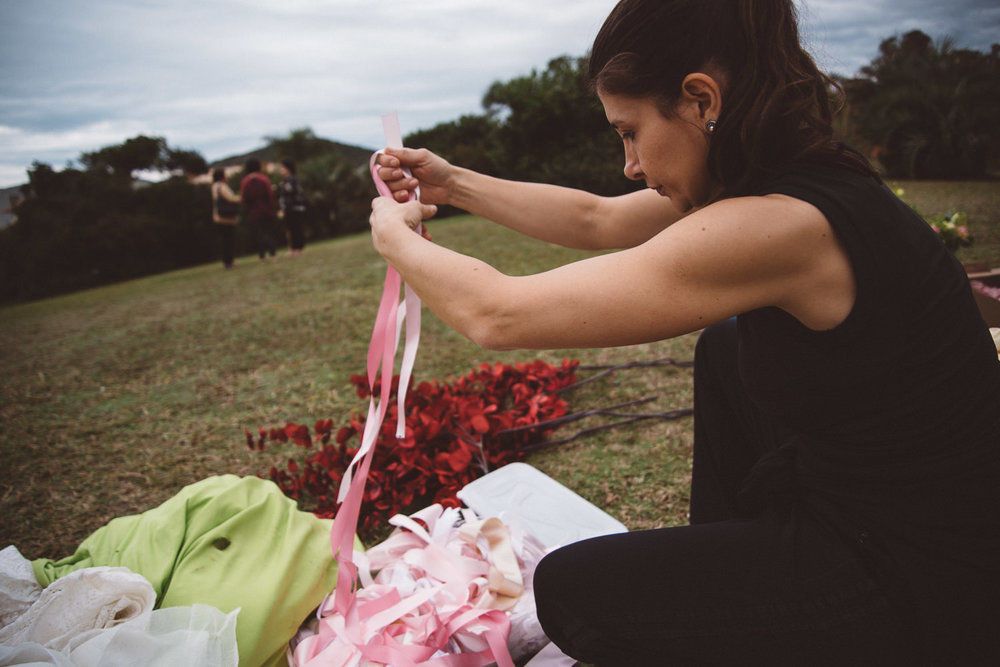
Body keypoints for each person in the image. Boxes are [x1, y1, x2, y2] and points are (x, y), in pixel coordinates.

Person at [369, 0, 1000, 663]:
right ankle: (735, 582)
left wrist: (395, 240)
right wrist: (452, 183)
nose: (630, 165)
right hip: (885, 501)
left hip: (928, 577)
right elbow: (597, 219)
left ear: (701, 99)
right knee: (726, 348)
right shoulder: (789, 173)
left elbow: (497, 312)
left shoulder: (781, 226)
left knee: (571, 590)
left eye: (630, 131)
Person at [240, 158, 278, 260]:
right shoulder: (263, 179)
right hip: (266, 210)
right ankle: (272, 252)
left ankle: (262, 255)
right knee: (268, 232)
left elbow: (244, 199)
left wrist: (247, 210)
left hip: (253, 212)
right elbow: (270, 195)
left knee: (259, 234)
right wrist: (273, 208)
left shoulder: (245, 182)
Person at [210, 168, 240, 269]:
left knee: (224, 240)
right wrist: (241, 198)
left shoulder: (214, 186)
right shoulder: (222, 186)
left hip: (218, 216)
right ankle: (229, 262)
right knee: (229, 240)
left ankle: (227, 262)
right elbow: (230, 198)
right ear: (222, 176)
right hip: (226, 217)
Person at [278, 158, 308, 256]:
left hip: (294, 208)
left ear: (288, 168)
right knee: (291, 229)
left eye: (282, 168)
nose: (280, 170)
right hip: (289, 209)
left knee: (296, 228)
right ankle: (293, 248)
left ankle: (297, 249)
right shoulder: (285, 181)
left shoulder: (292, 180)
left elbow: (292, 194)